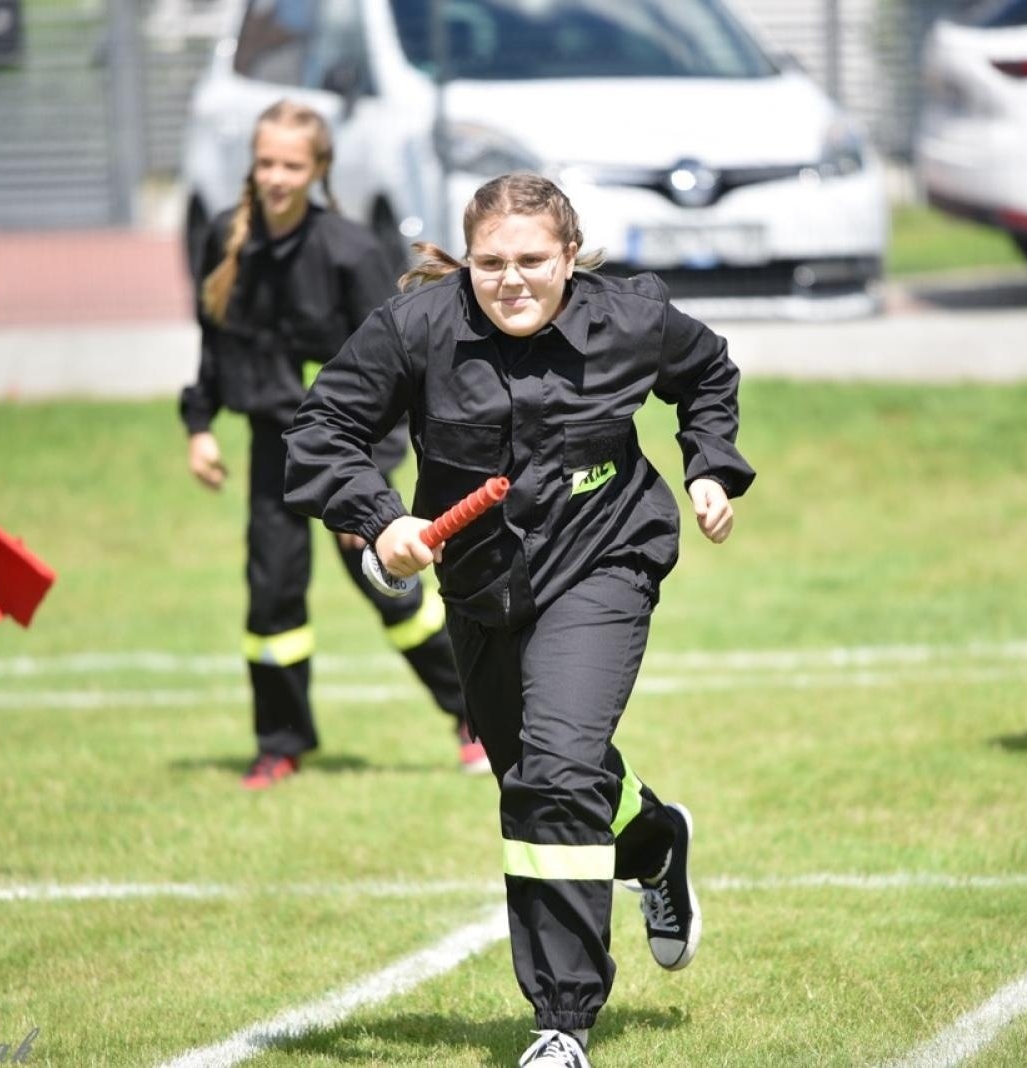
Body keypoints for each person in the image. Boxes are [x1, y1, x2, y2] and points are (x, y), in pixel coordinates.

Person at [283, 172, 753, 1066]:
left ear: (569, 259)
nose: (512, 280)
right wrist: (384, 521)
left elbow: (706, 373)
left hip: (604, 563)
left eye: (533, 260)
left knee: (553, 775)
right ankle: (651, 839)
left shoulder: (629, 321)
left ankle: (561, 1022)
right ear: (466, 262)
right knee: (535, 775)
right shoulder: (415, 330)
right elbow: (321, 432)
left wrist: (710, 466)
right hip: (481, 588)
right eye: (491, 262)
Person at [179, 99, 487, 789]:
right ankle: (280, 742)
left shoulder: (350, 250)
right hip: (273, 451)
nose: (277, 177)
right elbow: (214, 343)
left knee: (392, 591)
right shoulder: (228, 237)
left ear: (319, 169)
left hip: (351, 455)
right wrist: (200, 426)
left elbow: (397, 371)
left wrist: (370, 493)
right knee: (271, 601)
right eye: (265, 163)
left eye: (292, 164)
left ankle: (473, 716)